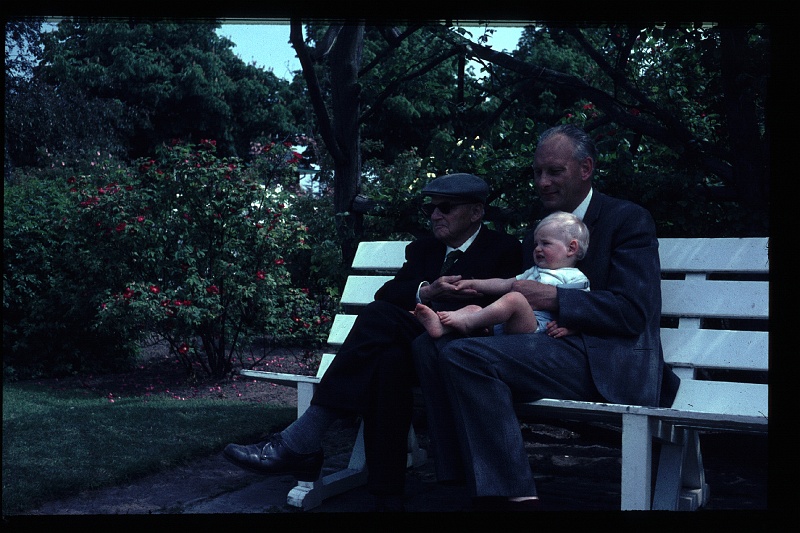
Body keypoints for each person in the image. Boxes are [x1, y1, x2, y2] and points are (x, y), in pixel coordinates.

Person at [412, 124, 680, 511]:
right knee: (431, 344)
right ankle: (463, 480)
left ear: (585, 168)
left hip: (605, 358)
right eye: (538, 172)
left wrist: (555, 298)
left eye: (554, 171)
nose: (543, 181)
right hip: (547, 344)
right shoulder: (540, 230)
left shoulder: (627, 220)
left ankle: (513, 495)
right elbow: (526, 304)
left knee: (465, 356)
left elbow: (635, 312)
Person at [223, 173, 523, 511]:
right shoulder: (424, 250)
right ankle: (386, 494)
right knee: (389, 359)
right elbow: (388, 293)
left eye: (446, 207)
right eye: (432, 209)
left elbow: (501, 309)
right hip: (416, 349)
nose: (435, 215)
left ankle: (303, 439)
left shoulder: (504, 250)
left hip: (463, 349)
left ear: (476, 212)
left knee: (381, 319)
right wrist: (428, 290)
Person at [415, 211, 590, 339]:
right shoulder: (534, 272)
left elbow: (582, 310)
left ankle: (467, 323)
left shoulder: (576, 278)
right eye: (536, 244)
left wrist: (570, 328)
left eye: (545, 243)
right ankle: (442, 327)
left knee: (514, 299)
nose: (537, 249)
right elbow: (504, 283)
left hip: (538, 329)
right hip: (505, 326)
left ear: (571, 248)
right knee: (474, 309)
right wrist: (473, 284)